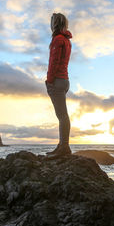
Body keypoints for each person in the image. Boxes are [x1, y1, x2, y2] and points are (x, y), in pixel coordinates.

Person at [45, 13, 72, 157]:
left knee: (62, 116)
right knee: (63, 115)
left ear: (54, 24)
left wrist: (49, 80)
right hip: (65, 80)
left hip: (57, 80)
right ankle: (62, 145)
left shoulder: (58, 39)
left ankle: (64, 147)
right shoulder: (67, 40)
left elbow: (53, 62)